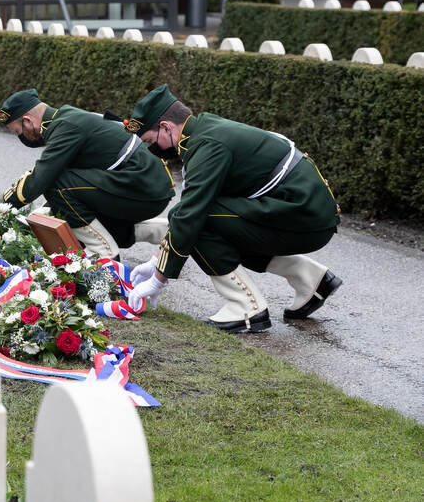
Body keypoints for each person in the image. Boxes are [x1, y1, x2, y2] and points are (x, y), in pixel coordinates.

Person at [123, 85, 343, 332]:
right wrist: (157, 260)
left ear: (166, 126)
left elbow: (191, 216)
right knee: (201, 219)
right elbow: (185, 211)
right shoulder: (204, 130)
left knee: (201, 223)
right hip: (302, 210)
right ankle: (310, 279)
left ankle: (245, 308)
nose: (154, 150)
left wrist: (158, 279)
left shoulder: (206, 145)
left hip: (305, 215)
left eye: (151, 141)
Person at [0, 89, 172, 259]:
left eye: (18, 131)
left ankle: (105, 254)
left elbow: (40, 179)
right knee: (74, 211)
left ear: (28, 121)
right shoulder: (67, 117)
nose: (22, 137)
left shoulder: (64, 126)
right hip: (148, 185)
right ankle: (167, 232)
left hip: (144, 187)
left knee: (56, 186)